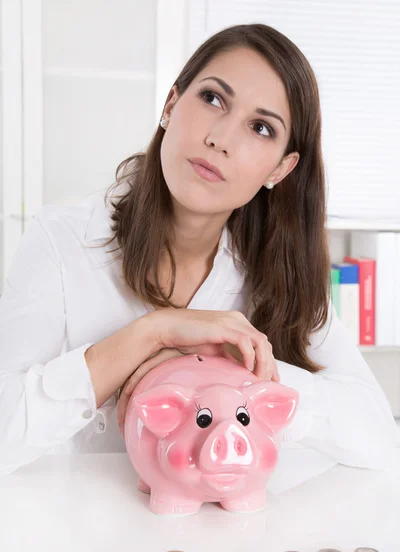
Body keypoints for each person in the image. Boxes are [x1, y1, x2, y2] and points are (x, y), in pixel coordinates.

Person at [0, 24, 398, 480]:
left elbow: (378, 438)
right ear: (171, 105)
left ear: (281, 168)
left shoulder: (279, 271)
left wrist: (229, 368)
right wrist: (152, 333)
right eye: (213, 99)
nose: (221, 139)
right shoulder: (60, 240)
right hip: (83, 537)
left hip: (228, 540)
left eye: (261, 128)